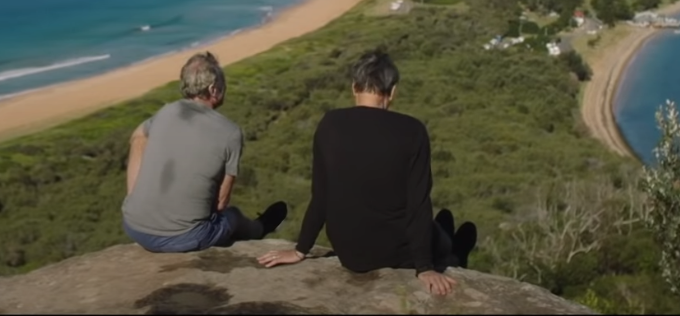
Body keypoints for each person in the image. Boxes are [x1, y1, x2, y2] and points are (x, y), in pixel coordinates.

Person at [256, 50, 478, 296]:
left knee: (441, 224)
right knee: (444, 236)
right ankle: (455, 253)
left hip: (348, 252)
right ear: (393, 91)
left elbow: (320, 195)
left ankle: (445, 234)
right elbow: (418, 203)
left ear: (354, 87)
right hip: (395, 251)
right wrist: (424, 267)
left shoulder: (329, 124)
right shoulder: (413, 131)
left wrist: (300, 250)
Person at [122, 51, 288, 253]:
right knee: (232, 216)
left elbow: (138, 137)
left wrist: (133, 195)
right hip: (185, 237)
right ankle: (260, 229)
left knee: (141, 137)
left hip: (133, 226)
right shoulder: (231, 133)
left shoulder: (166, 111)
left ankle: (135, 201)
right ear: (213, 89)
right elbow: (220, 203)